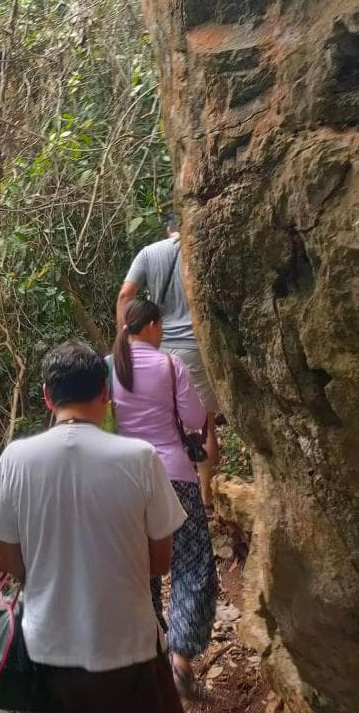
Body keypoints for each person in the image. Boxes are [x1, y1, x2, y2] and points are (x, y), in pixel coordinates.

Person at [0, 338, 186, 713]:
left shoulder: (15, 460)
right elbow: (160, 562)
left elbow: (8, 565)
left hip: (47, 653)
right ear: (105, 392)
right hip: (131, 647)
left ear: (47, 396)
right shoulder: (141, 458)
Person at [112, 298, 218, 701]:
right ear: (153, 326)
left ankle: (152, 660)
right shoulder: (171, 366)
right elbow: (194, 419)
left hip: (124, 483)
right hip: (175, 477)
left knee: (142, 572)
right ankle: (181, 660)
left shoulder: (107, 367)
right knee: (192, 565)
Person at [117, 212, 220, 512]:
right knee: (205, 425)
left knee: (158, 420)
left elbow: (125, 294)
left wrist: (126, 336)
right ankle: (204, 496)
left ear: (167, 229)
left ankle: (160, 496)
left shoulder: (149, 253)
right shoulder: (196, 248)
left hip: (156, 346)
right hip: (194, 347)